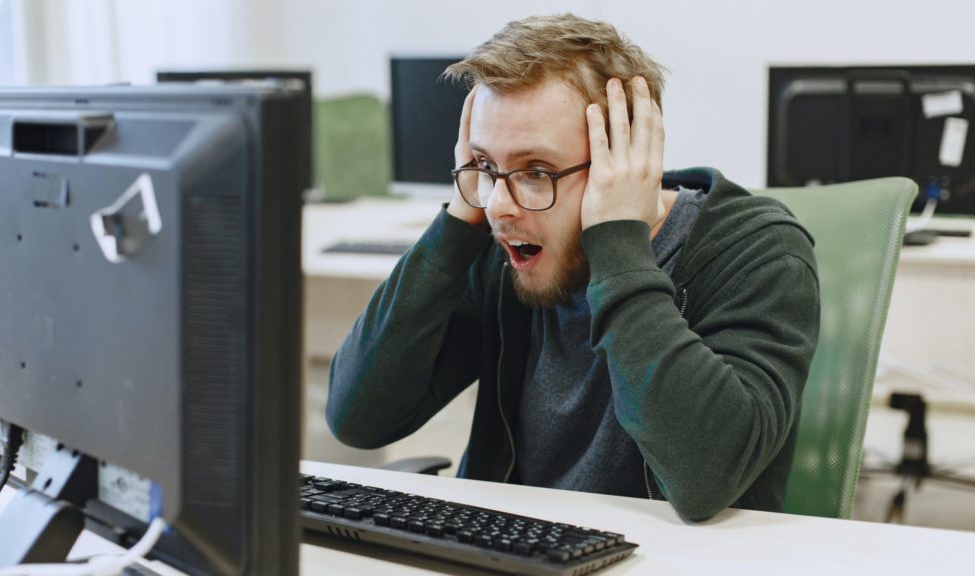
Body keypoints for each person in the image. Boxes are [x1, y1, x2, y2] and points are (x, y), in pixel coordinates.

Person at [326, 13, 820, 521]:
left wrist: (618, 246)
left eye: (536, 171)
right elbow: (358, 419)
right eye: (486, 165)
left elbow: (704, 479)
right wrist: (457, 223)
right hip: (509, 548)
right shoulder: (503, 244)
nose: (499, 204)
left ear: (622, 160)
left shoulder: (757, 252)